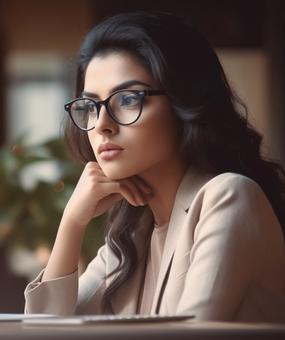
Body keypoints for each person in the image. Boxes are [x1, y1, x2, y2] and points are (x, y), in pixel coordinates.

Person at [24, 11, 285, 322]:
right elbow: (44, 329)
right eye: (91, 106)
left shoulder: (228, 197)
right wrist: (72, 222)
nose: (102, 125)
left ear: (183, 102)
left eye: (129, 99)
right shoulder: (130, 237)